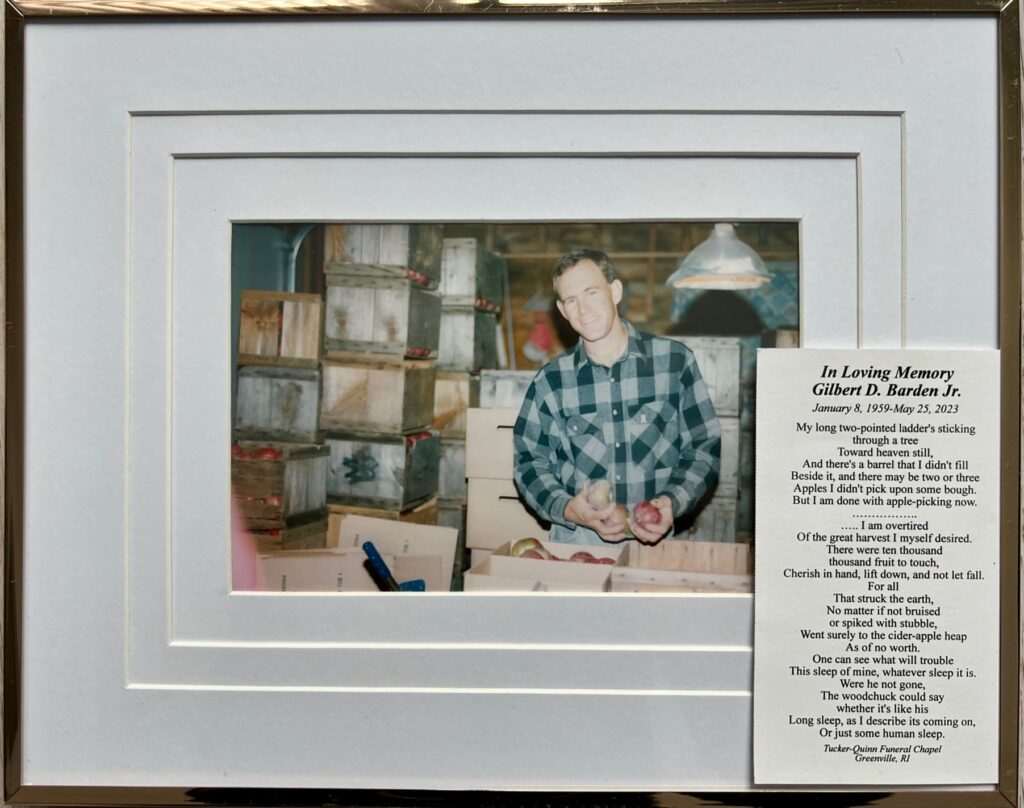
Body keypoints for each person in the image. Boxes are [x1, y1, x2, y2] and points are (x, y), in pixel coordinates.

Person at [513, 249, 721, 546]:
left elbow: (703, 446)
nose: (583, 309)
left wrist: (673, 502)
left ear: (615, 291)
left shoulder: (675, 362)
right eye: (571, 300)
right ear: (562, 310)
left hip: (654, 542)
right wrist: (566, 507)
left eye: (591, 293)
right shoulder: (551, 380)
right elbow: (528, 462)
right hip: (578, 543)